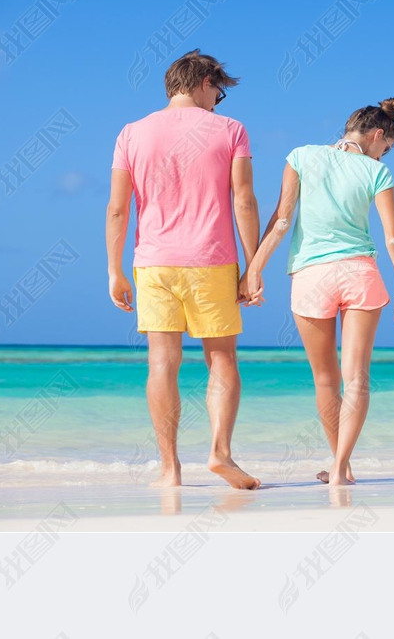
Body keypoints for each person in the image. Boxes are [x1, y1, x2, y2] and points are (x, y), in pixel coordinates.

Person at [241, 98, 394, 486]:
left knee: (326, 379)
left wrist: (253, 270)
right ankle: (341, 468)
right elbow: (393, 237)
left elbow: (282, 219)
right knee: (357, 379)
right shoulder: (377, 172)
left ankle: (342, 466)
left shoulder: (301, 156)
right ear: (377, 136)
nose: (382, 156)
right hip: (360, 274)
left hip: (311, 276)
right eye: (385, 149)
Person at [106, 49, 261, 489]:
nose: (219, 101)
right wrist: (253, 265)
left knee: (162, 362)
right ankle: (220, 453)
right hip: (211, 258)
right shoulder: (231, 130)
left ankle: (170, 468)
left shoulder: (131, 133)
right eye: (220, 92)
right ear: (204, 82)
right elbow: (244, 200)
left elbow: (118, 210)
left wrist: (114, 269)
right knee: (222, 359)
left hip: (153, 262)